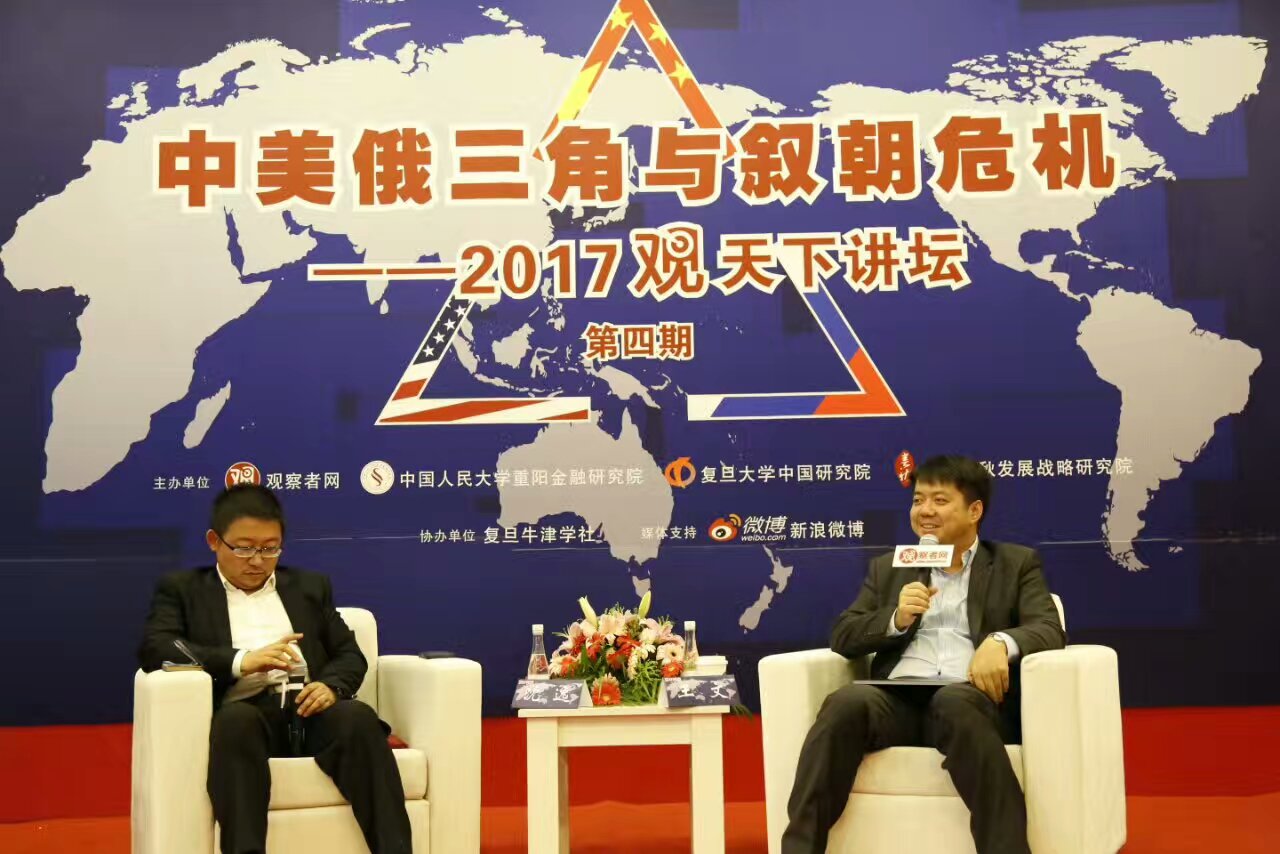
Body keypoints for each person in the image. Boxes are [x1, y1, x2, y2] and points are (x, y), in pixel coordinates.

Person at [783, 455, 1065, 854]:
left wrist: (1001, 642)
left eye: (940, 500)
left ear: (974, 511)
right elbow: (843, 635)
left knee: (954, 702)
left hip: (969, 699)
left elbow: (1049, 627)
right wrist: (895, 618)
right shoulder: (890, 568)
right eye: (918, 500)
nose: (925, 511)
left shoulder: (1014, 563)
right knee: (845, 703)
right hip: (897, 700)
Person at [138, 484, 411, 854]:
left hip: (308, 711)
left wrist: (330, 687)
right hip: (246, 717)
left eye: (270, 548)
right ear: (214, 541)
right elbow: (158, 647)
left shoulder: (308, 587)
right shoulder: (184, 590)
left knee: (358, 718)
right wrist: (241, 661)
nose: (257, 560)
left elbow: (349, 654)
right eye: (244, 548)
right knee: (237, 723)